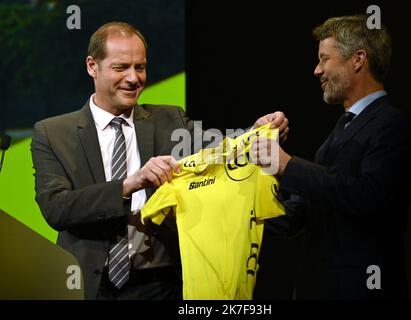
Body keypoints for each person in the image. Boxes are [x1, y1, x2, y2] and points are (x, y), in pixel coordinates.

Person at [30, 21, 288, 300]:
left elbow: (221, 152)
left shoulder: (170, 120)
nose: (133, 78)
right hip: (90, 286)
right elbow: (56, 208)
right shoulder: (53, 133)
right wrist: (130, 184)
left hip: (162, 284)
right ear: (93, 66)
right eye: (121, 68)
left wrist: (255, 133)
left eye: (139, 67)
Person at [253, 15, 411, 299]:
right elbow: (297, 215)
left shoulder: (393, 125)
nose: (316, 70)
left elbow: (368, 196)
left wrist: (287, 165)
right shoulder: (342, 130)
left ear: (357, 60)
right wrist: (237, 210)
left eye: (324, 59)